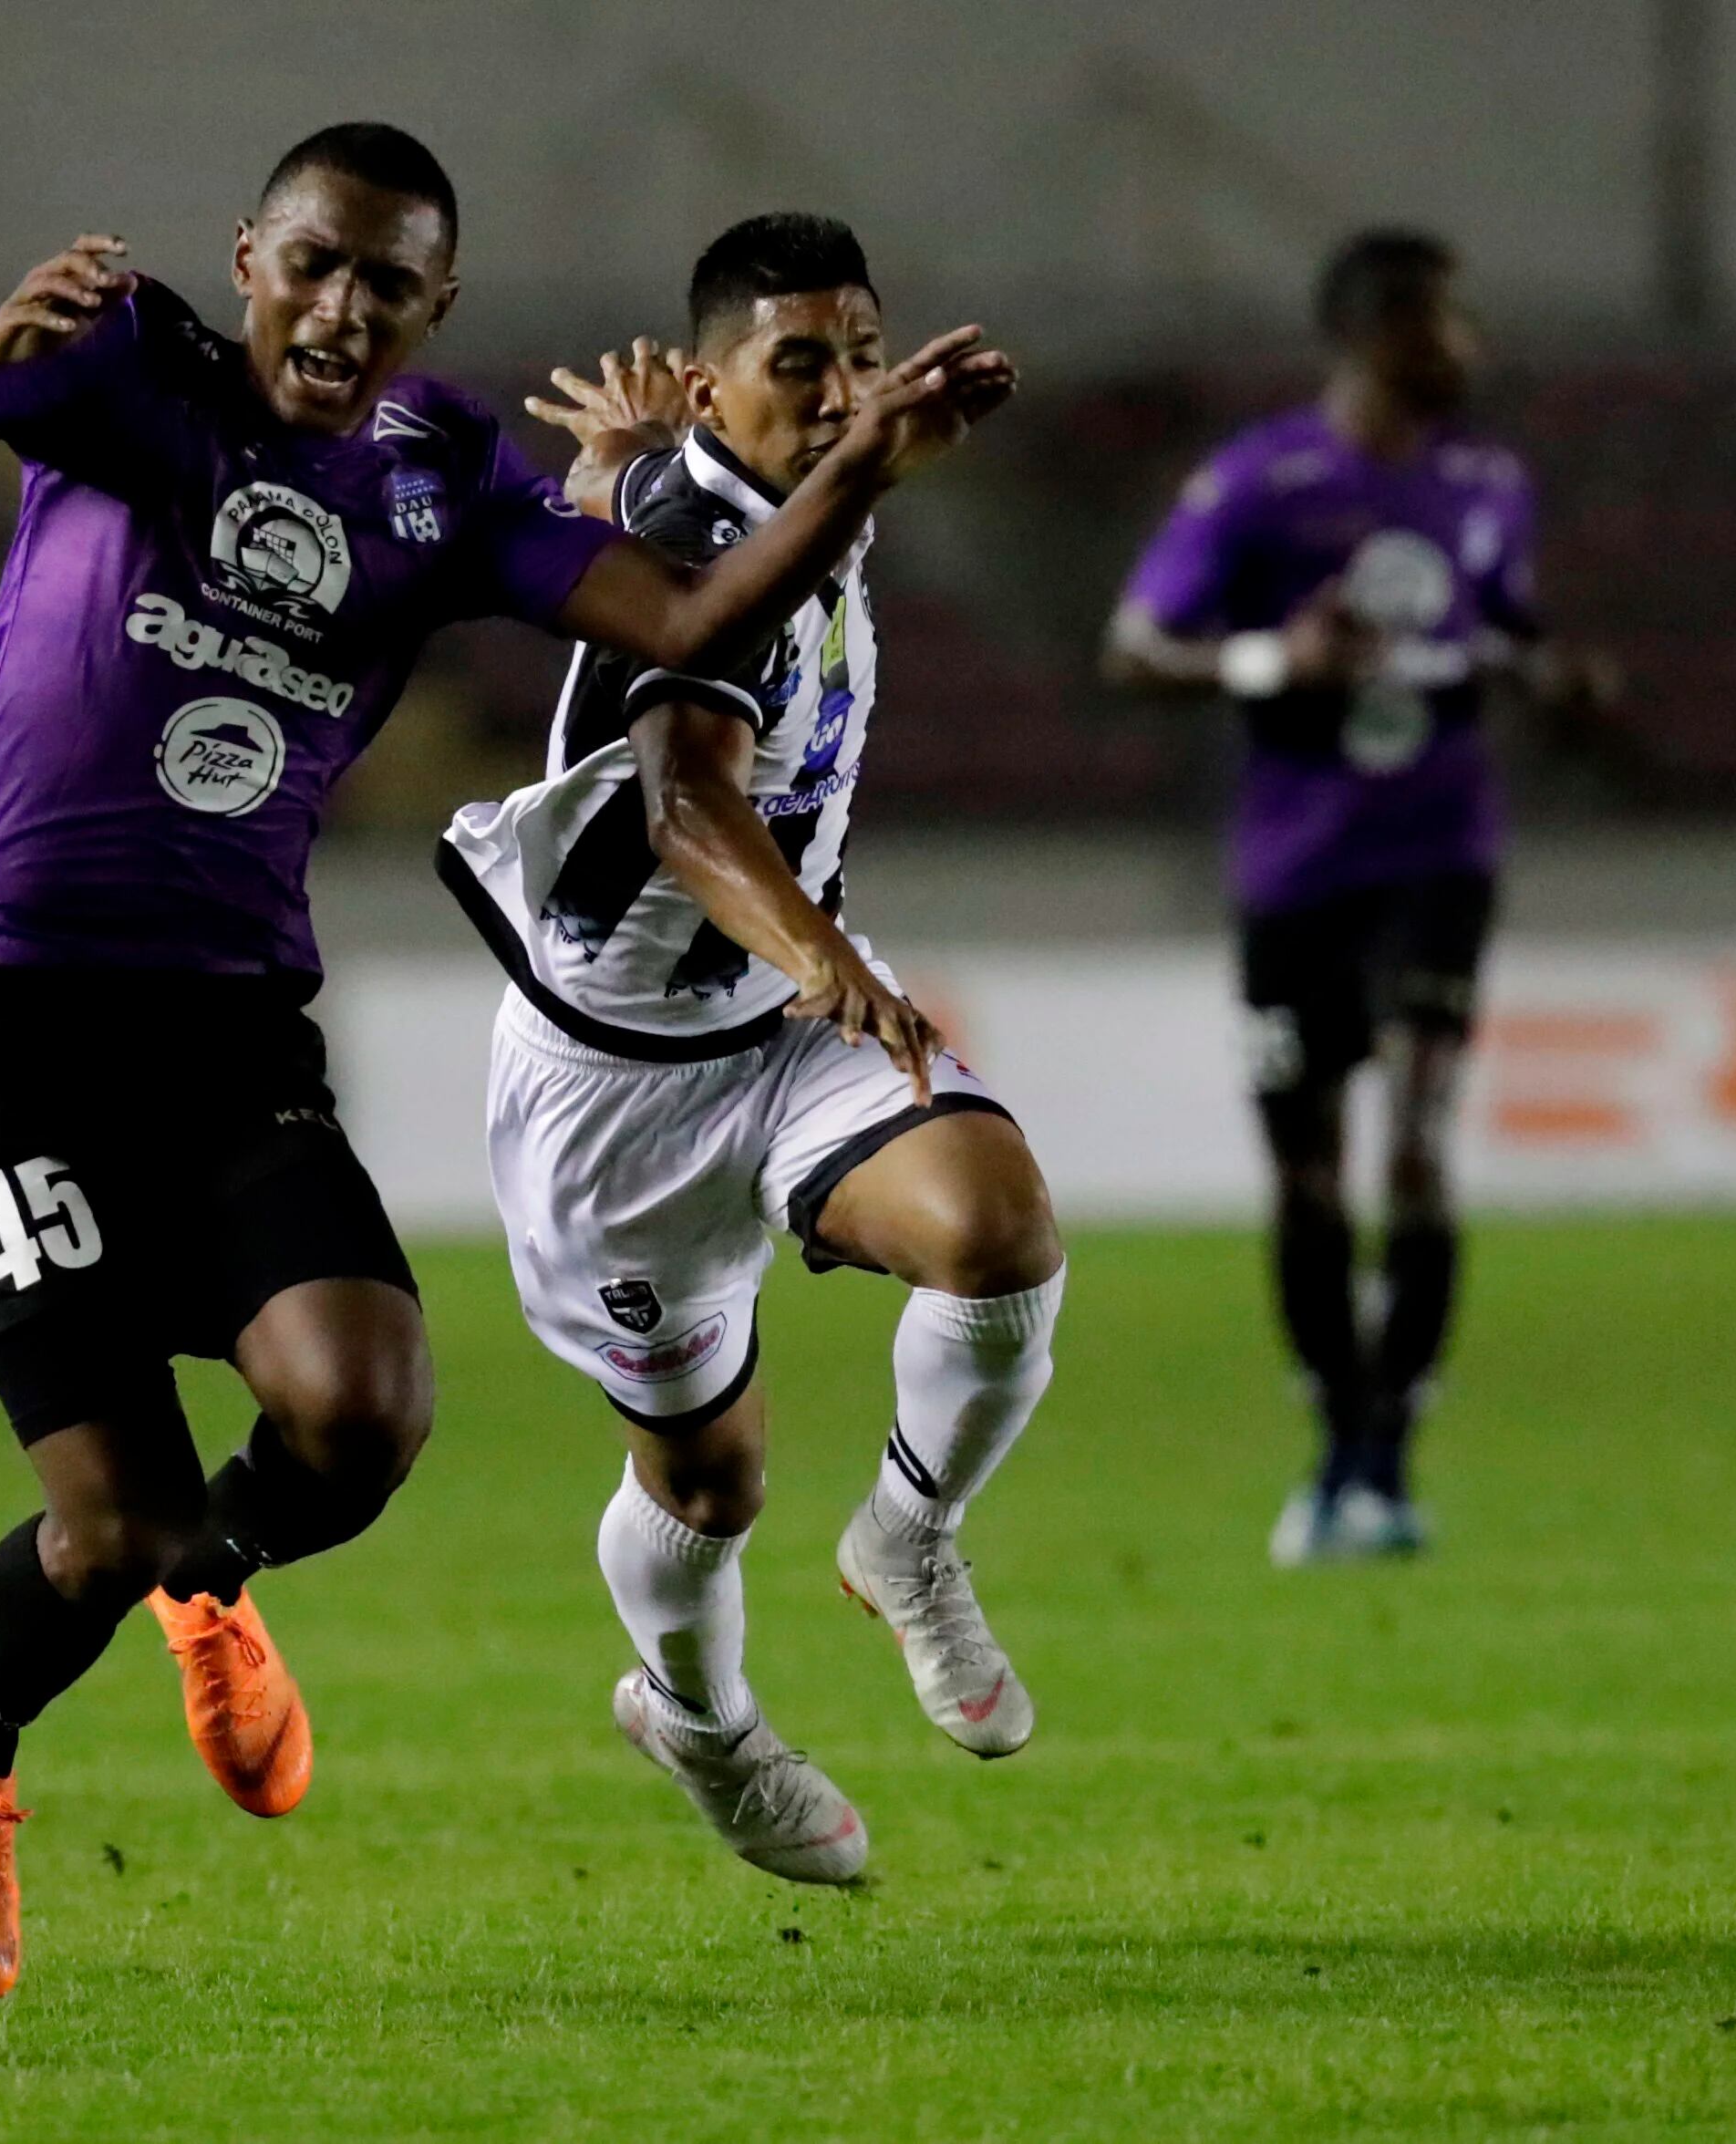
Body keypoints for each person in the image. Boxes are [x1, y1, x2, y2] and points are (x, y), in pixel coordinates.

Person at [0, 124, 1012, 1998]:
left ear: (435, 306)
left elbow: (681, 619)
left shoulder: (437, 486)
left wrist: (846, 465)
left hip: (220, 1033)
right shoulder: (130, 372)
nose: (341, 306)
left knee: (362, 1413)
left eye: (387, 281)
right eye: (313, 262)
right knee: (100, 1515)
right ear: (249, 255)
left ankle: (216, 1577)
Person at [441, 213, 1056, 1887]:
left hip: (774, 1036)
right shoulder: (716, 546)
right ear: (723, 382)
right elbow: (686, 806)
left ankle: (909, 1540)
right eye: (803, 363)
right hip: (614, 1096)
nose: (848, 390)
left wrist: (646, 458)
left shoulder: (755, 502)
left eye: (861, 353)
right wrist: (826, 953)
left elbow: (657, 499)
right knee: (707, 1484)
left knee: (997, 1234)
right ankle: (701, 1722)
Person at [1100, 228, 1610, 1567]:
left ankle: (1385, 1460)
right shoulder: (1261, 482)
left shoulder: (1488, 483)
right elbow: (1138, 647)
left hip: (1440, 854)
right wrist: (1279, 659)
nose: (1468, 349)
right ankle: (1336, 1442)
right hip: (1295, 871)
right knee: (1311, 1177)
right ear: (1377, 333)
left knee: (1421, 1144)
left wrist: (1554, 676)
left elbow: (1507, 624)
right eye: (1446, 324)